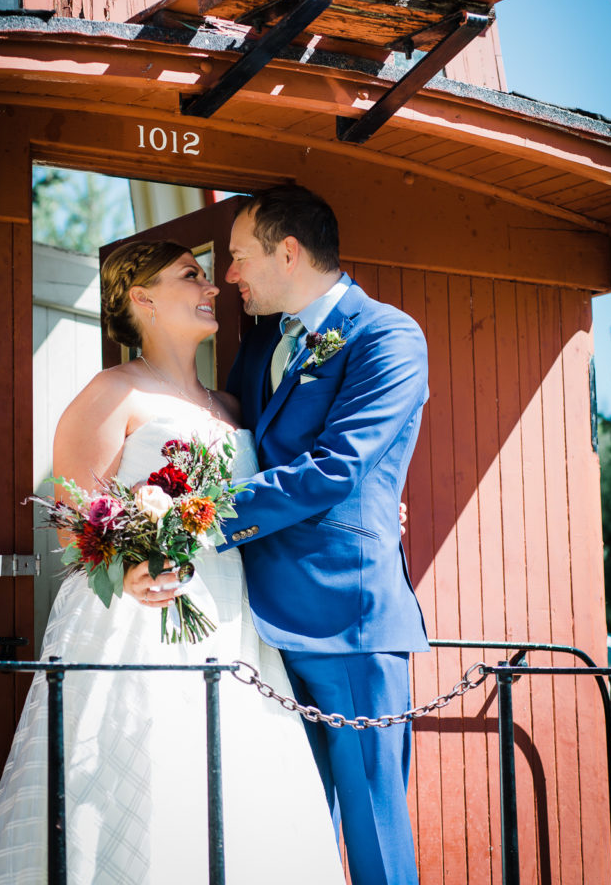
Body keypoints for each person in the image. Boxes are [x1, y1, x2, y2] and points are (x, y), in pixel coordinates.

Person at [0, 240, 345, 885]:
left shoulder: (233, 408)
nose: (213, 287)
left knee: (232, 776)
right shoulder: (111, 392)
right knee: (141, 773)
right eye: (191, 276)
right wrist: (130, 567)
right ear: (142, 298)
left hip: (231, 619)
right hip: (135, 621)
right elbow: (72, 528)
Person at [221, 186, 429, 885]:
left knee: (372, 831)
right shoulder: (259, 348)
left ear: (287, 252)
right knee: (295, 828)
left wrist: (200, 521)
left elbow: (337, 468)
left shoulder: (386, 335)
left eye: (238, 256)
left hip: (351, 622)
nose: (229, 275)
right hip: (260, 625)